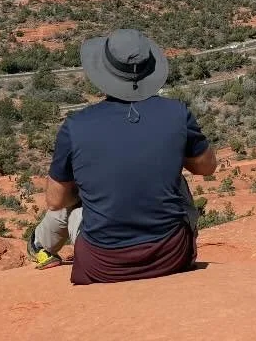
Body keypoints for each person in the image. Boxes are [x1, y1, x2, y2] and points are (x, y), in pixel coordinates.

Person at [27, 28, 218, 284]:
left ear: (103, 72)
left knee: (77, 194)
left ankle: (40, 245)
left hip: (101, 266)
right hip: (171, 257)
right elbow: (207, 167)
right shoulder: (177, 113)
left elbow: (54, 201)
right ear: (150, 70)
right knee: (177, 179)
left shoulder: (76, 126)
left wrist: (86, 191)